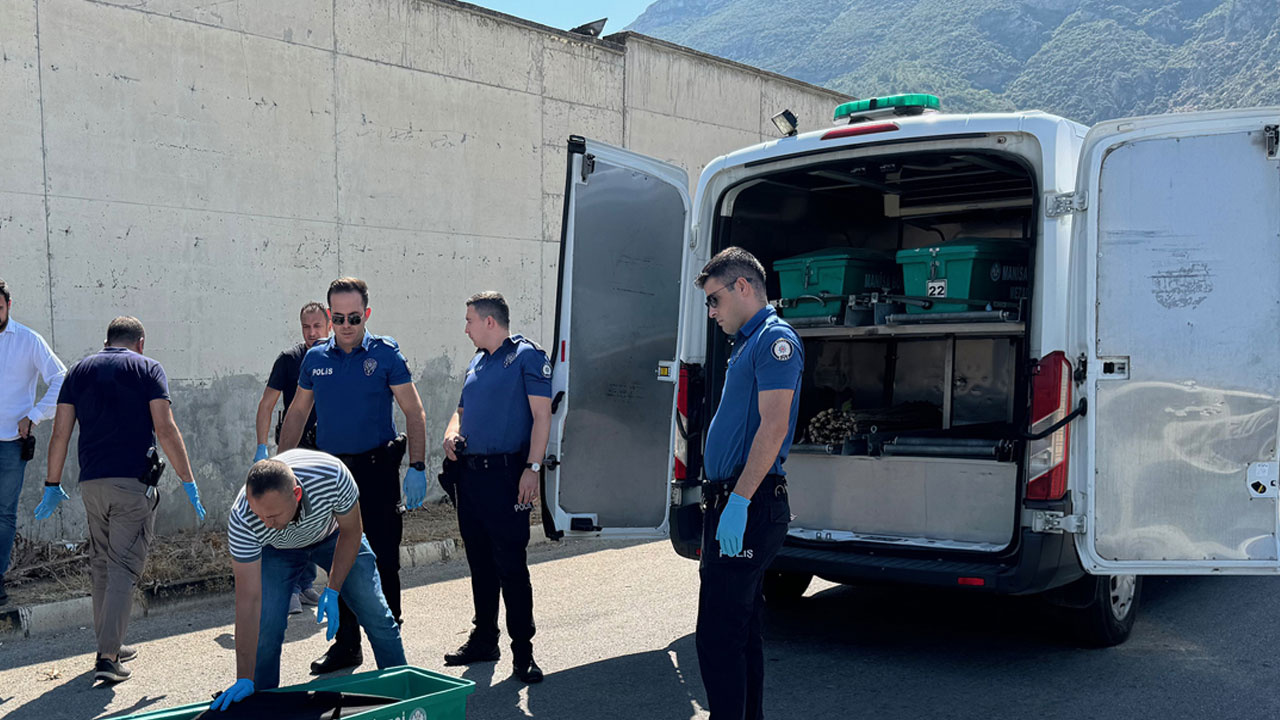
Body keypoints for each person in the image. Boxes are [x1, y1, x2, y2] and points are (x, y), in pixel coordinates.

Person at [38, 316, 207, 684]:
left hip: (92, 484)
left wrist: (52, 483)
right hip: (132, 483)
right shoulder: (148, 368)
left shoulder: (79, 371)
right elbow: (165, 427)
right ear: (140, 342)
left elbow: (60, 434)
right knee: (123, 567)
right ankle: (108, 657)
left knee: (102, 564)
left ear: (106, 341)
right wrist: (188, 479)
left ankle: (109, 640)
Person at [277, 277, 428, 675]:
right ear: (329, 316)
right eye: (339, 317)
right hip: (331, 475)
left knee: (382, 558)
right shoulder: (315, 360)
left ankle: (389, 646)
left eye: (354, 318)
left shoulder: (385, 354)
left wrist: (417, 465)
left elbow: (413, 411)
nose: (346, 325)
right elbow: (296, 413)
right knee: (339, 555)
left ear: (367, 315)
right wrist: (278, 467)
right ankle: (347, 647)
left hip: (377, 470)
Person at [694, 248, 803, 720]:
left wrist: (738, 500)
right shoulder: (748, 342)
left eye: (714, 300)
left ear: (742, 286)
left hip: (749, 502)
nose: (712, 312)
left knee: (719, 635)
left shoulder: (775, 340)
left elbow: (773, 426)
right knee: (741, 631)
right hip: (733, 501)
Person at [211, 450, 407, 712]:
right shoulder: (243, 517)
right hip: (276, 551)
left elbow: (351, 531)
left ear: (297, 495)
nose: (266, 524)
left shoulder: (332, 476)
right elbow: (248, 601)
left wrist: (333, 588)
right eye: (261, 516)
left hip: (333, 535)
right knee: (266, 628)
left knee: (376, 614)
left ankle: (405, 696)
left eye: (273, 516)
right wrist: (244, 675)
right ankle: (261, 705)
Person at [440, 291, 551, 684]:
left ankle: (524, 653)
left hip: (507, 476)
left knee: (511, 567)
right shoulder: (476, 362)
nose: (465, 327)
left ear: (490, 321)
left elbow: (542, 417)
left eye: (469, 320)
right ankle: (485, 639)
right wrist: (451, 435)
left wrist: (532, 468)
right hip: (471, 477)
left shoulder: (526, 356)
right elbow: (461, 412)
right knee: (480, 565)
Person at [253, 301, 330, 615]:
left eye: (317, 326)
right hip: (295, 449)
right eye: (306, 327)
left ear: (328, 324)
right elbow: (266, 405)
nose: (312, 333)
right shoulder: (289, 360)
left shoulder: (338, 358)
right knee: (291, 517)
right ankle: (288, 588)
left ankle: (306, 582)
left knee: (320, 518)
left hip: (327, 450)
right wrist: (262, 448)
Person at [0, 279, 67, 607]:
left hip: (11, 444)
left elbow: (61, 377)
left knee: (3, 514)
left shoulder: (28, 340)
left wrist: (36, 414)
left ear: (8, 306)